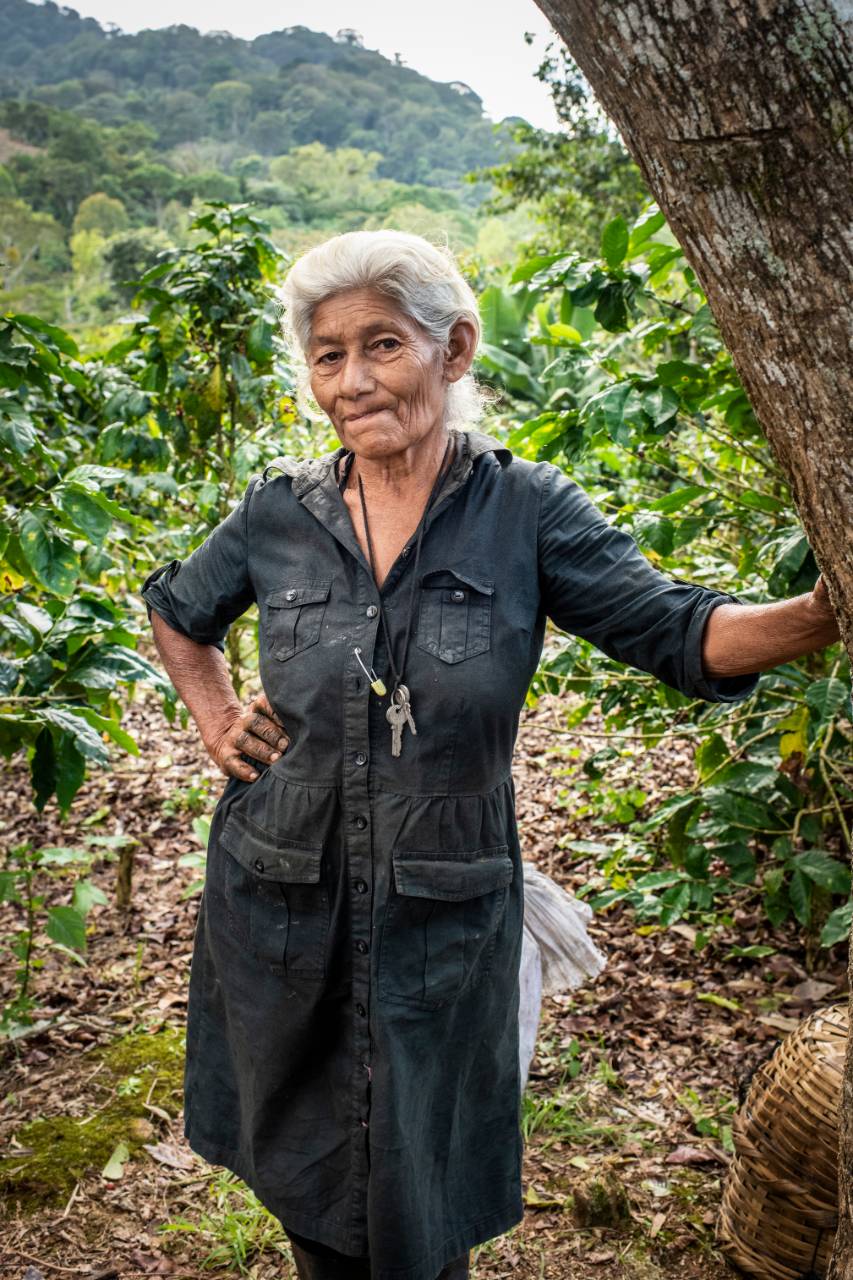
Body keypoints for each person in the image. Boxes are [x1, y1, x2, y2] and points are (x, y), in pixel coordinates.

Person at [140, 229, 841, 1280]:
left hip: (440, 914)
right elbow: (178, 612)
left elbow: (681, 632)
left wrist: (825, 611)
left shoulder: (524, 511)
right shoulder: (277, 513)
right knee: (311, 1178)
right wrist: (215, 712)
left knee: (421, 1200)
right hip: (281, 895)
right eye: (328, 354)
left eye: (383, 344)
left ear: (453, 348)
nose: (352, 378)